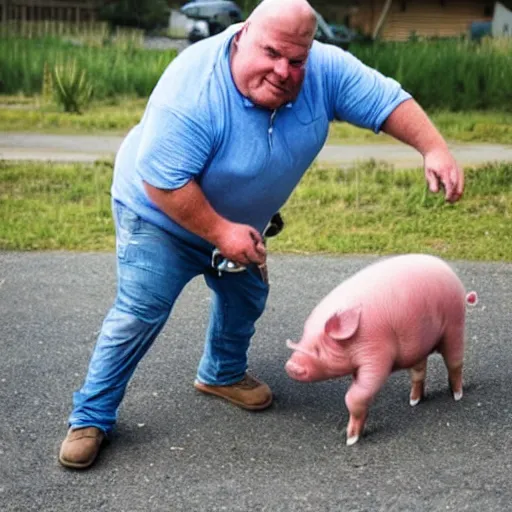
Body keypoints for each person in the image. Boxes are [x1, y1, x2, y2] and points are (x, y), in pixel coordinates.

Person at [58, 0, 464, 469]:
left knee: (246, 296)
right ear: (242, 34)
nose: (283, 71)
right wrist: (219, 231)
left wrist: (433, 148)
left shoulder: (322, 70)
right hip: (158, 214)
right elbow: (162, 181)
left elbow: (385, 99)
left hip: (240, 226)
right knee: (140, 312)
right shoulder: (192, 89)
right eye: (271, 53)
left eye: (296, 60)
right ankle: (90, 417)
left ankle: (221, 373)